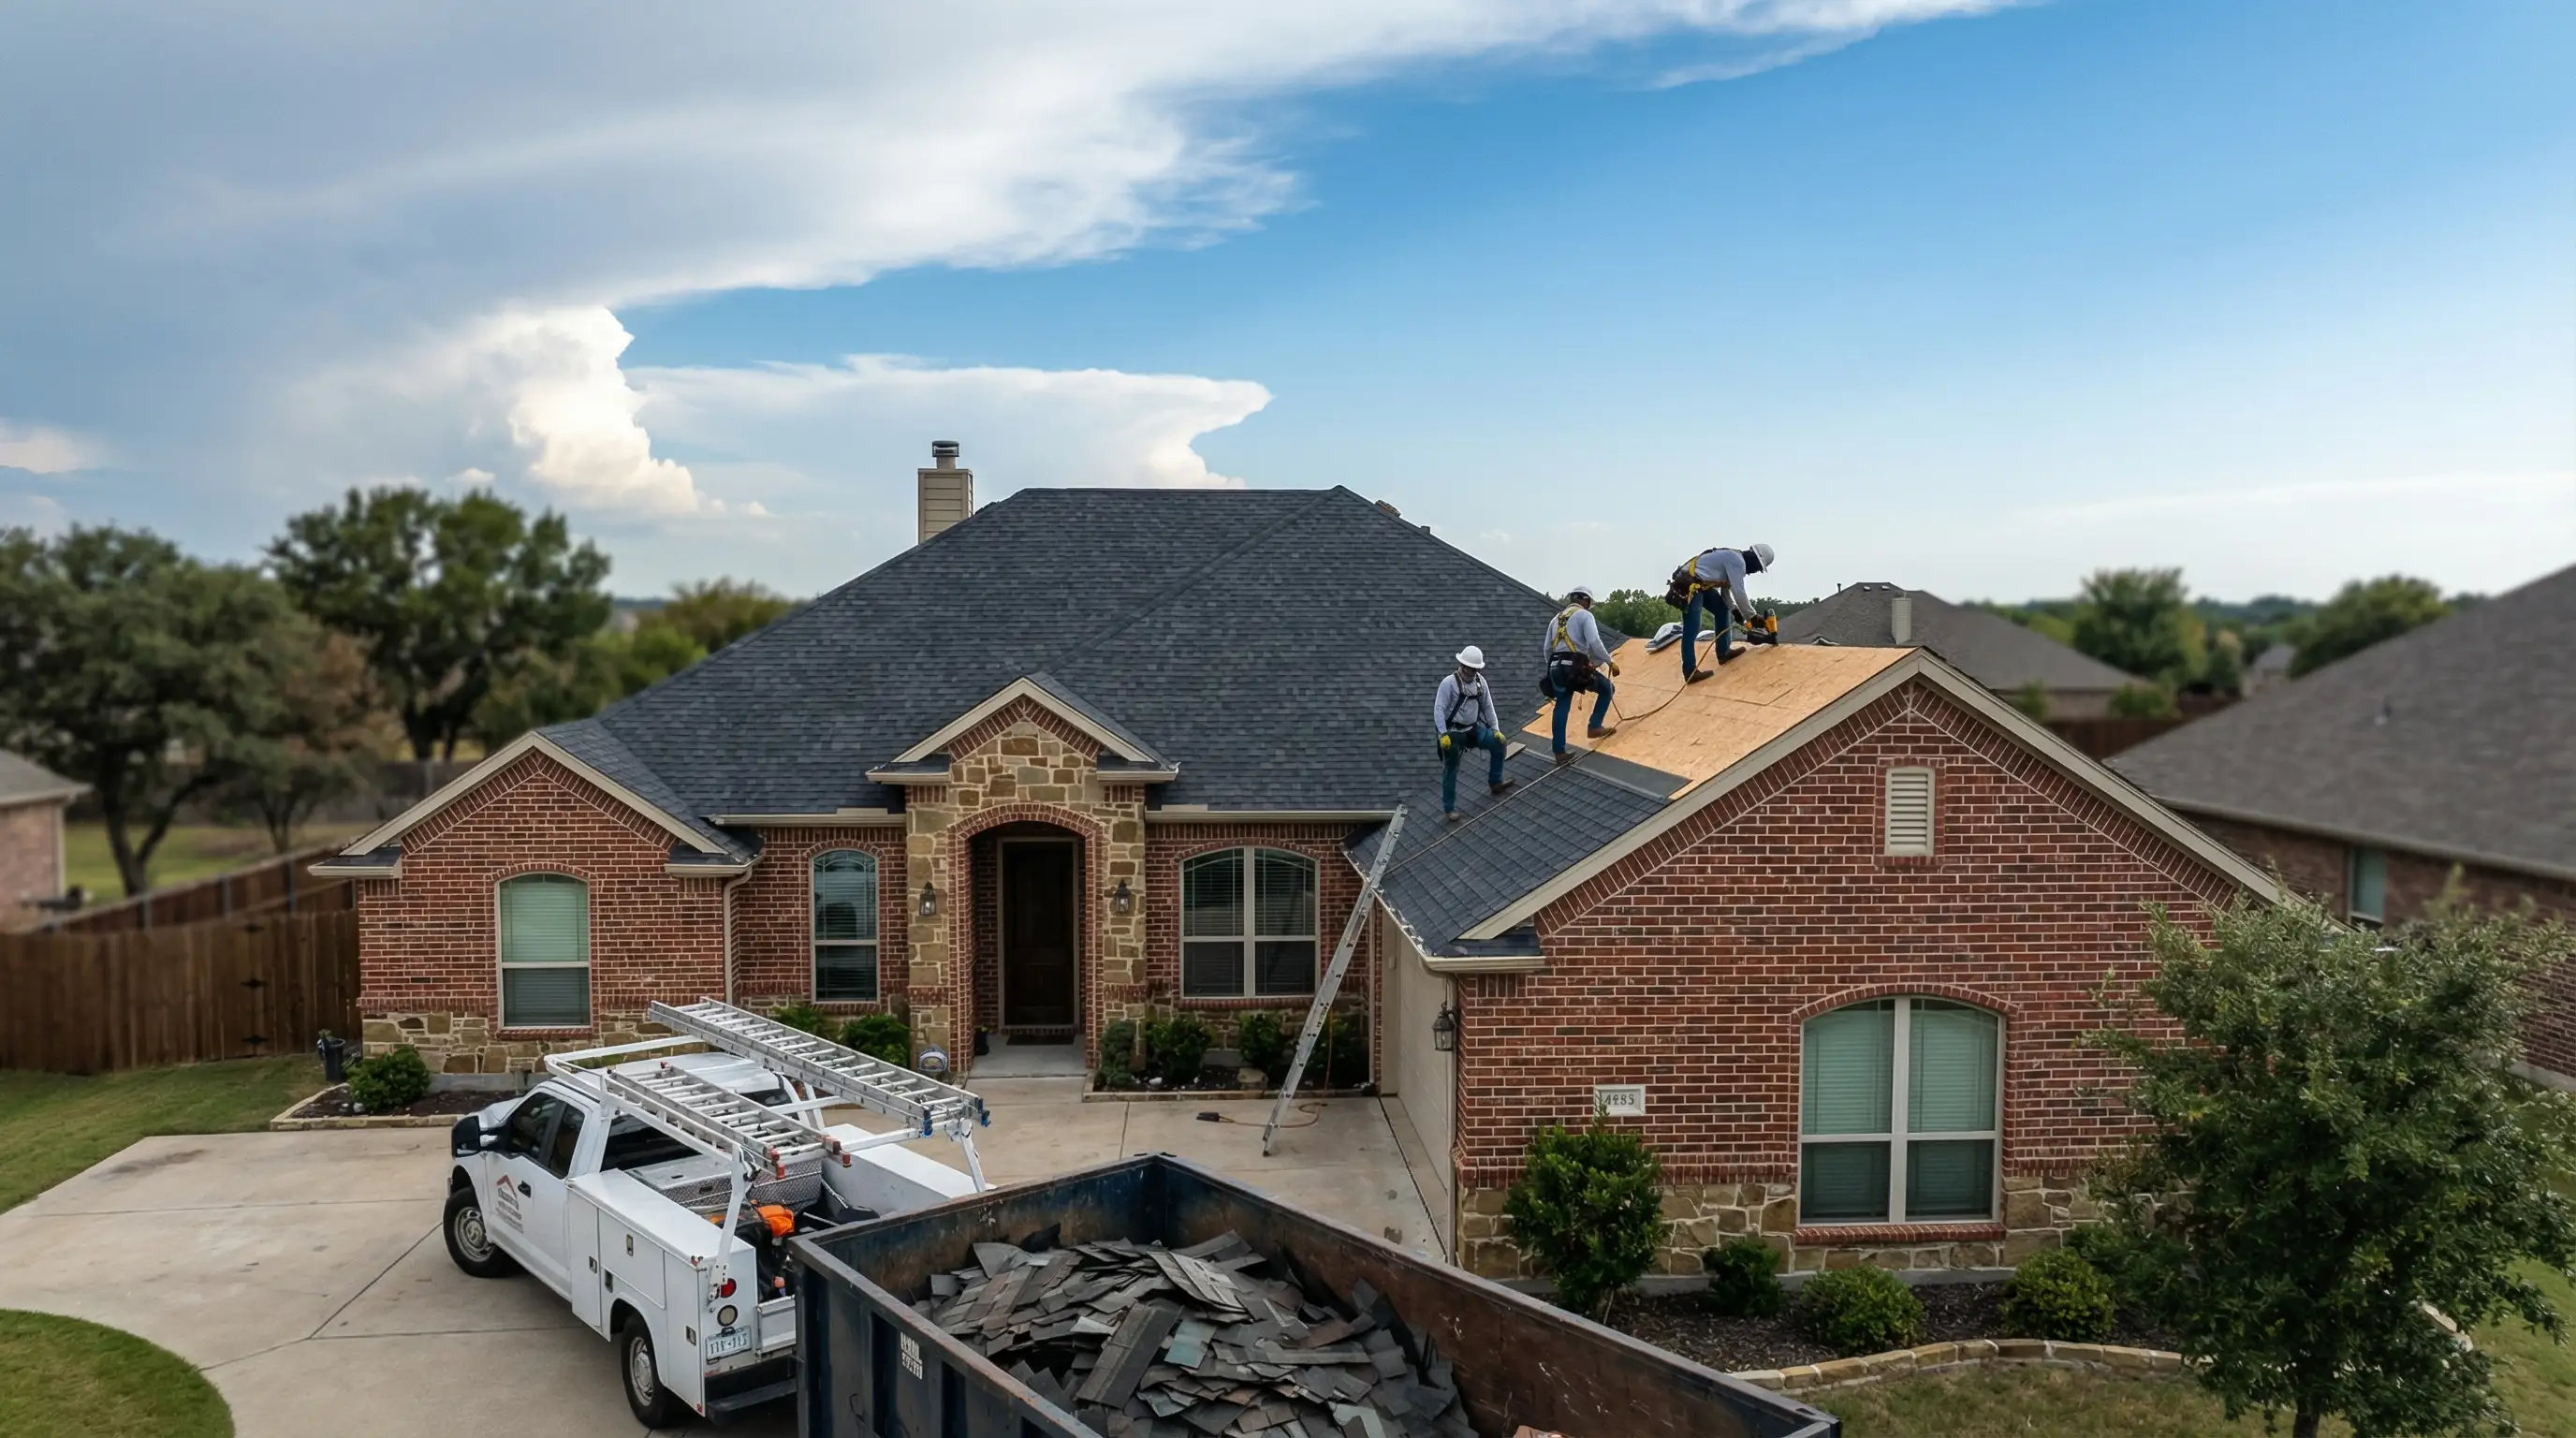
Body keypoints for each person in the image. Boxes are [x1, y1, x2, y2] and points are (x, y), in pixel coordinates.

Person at [1675, 542, 1778, 683]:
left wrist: (1734, 609)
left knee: (1723, 609)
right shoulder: (1737, 561)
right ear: (1754, 558)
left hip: (1700, 584)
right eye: (1758, 567)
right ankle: (1689, 671)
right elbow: (1739, 592)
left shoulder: (1734, 559)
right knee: (1692, 628)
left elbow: (1726, 590)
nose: (1754, 571)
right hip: (1689, 584)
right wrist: (1752, 617)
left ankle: (1723, 653)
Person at [1431, 646, 1513, 820]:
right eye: (1466, 667)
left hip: (1472, 729)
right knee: (1451, 765)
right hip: (1452, 732)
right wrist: (1442, 734)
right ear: (1461, 665)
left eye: (1473, 668)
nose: (1469, 671)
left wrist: (1495, 730)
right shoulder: (1448, 684)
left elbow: (1488, 708)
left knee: (1498, 743)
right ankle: (1449, 808)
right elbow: (1439, 709)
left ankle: (1496, 782)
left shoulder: (1480, 683)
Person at [1543, 586, 1619, 761]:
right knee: (1607, 688)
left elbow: (1547, 649)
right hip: (1574, 666)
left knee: (1562, 705)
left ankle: (1559, 752)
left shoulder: (1556, 619)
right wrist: (1609, 661)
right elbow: (1594, 642)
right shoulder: (1584, 615)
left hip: (1555, 665)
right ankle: (1594, 726)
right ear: (1585, 600)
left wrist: (1554, 670)